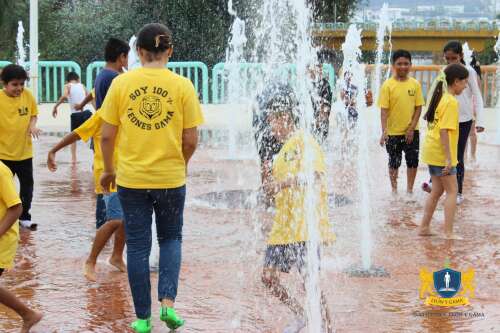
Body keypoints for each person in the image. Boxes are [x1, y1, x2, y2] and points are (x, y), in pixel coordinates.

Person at [99, 23, 204, 333]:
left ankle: (143, 318)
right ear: (169, 51)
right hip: (171, 178)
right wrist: (180, 164)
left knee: (138, 248)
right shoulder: (183, 86)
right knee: (171, 238)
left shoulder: (121, 84)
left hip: (131, 179)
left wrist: (108, 169)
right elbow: (191, 140)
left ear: (138, 52)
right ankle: (168, 305)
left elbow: (106, 136)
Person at [260, 90, 335, 332]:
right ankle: (301, 314)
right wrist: (269, 186)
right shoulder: (281, 152)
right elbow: (276, 189)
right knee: (268, 277)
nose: (271, 127)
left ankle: (326, 325)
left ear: (284, 118)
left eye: (273, 121)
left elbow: (316, 175)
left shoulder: (305, 141)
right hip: (283, 226)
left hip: (304, 224)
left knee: (309, 280)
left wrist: (281, 184)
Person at [47, 110, 126, 282]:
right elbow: (77, 133)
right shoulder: (102, 115)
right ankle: (91, 261)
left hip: (129, 174)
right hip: (108, 175)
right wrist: (54, 150)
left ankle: (117, 256)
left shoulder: (130, 112)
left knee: (126, 218)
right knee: (116, 220)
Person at [76, 37, 130, 231]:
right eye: (127, 56)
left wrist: (81, 105)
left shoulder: (103, 74)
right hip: (111, 137)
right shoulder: (115, 78)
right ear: (121, 56)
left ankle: (103, 226)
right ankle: (107, 226)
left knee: (103, 183)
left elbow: (91, 95)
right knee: (109, 182)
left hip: (101, 132)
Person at [422, 41, 485, 205]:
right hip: (445, 120)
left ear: (461, 56)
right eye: (447, 59)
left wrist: (480, 120)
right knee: (442, 151)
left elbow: (477, 95)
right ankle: (433, 181)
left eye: (454, 58)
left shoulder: (469, 71)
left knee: (457, 157)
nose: (451, 62)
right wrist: (430, 116)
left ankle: (458, 192)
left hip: (463, 120)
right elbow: (436, 93)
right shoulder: (444, 71)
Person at [418, 64, 469, 240]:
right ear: (456, 82)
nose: (465, 86)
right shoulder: (451, 102)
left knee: (437, 190)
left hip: (432, 150)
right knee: (452, 191)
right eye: (464, 82)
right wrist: (449, 159)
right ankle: (448, 233)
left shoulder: (441, 97)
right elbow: (444, 131)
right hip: (441, 153)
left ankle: (424, 227)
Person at [0, 161, 43, 332]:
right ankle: (28, 314)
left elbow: (16, 208)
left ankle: (28, 314)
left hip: (3, 238)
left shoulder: (1, 171)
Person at [0, 64, 41, 230]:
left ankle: (24, 217)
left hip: (24, 153)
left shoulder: (28, 95)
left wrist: (32, 126)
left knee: (27, 188)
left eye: (22, 84)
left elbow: (33, 114)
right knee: (4, 190)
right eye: (15, 84)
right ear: (4, 83)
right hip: (3, 154)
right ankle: (5, 217)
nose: (19, 88)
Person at [378, 50, 425, 195]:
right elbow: (384, 111)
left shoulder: (415, 84)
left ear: (411, 65)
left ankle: (409, 190)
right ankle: (394, 190)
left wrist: (411, 128)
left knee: (412, 161)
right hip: (393, 132)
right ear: (393, 65)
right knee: (394, 162)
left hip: (412, 132)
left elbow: (418, 107)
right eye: (399, 64)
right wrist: (384, 131)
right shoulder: (387, 85)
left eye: (406, 63)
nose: (403, 67)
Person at [253, 82, 298, 202]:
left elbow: (313, 175)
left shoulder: (298, 135)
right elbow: (267, 182)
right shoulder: (265, 134)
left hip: (285, 98)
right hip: (263, 103)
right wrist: (270, 189)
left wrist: (283, 184)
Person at [52, 72, 92, 163]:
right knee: (94, 134)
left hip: (76, 115)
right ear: (78, 79)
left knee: (73, 138)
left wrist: (55, 106)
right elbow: (91, 96)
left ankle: (74, 158)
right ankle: (96, 154)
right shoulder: (82, 85)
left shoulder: (67, 86)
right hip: (87, 114)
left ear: (67, 80)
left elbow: (64, 96)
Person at [468, 55, 482, 164]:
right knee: (471, 133)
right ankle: (472, 155)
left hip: (469, 105)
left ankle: (471, 156)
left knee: (470, 133)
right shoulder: (477, 74)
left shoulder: (472, 73)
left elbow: (476, 93)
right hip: (471, 105)